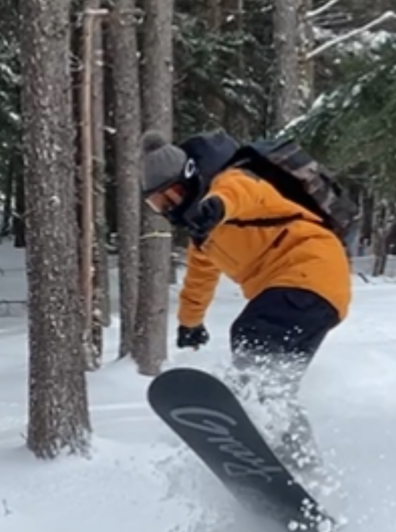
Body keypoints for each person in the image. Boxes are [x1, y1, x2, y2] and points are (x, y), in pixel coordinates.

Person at [140, 129, 351, 482]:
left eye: (173, 194)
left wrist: (217, 206)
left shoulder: (231, 181)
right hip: (308, 292)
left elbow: (240, 194)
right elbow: (198, 280)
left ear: (191, 177)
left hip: (308, 270)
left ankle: (260, 419)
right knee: (276, 384)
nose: (170, 207)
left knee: (254, 337)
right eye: (158, 204)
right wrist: (189, 323)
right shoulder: (203, 235)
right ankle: (300, 466)